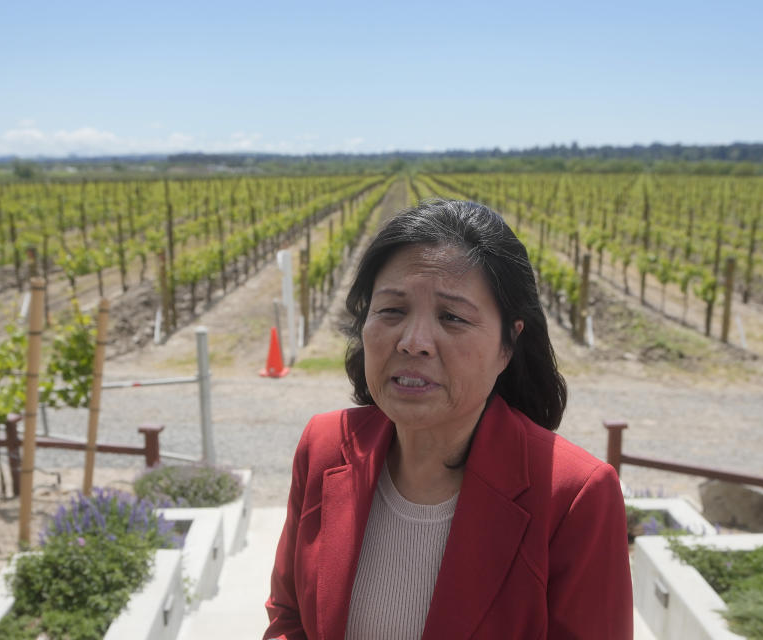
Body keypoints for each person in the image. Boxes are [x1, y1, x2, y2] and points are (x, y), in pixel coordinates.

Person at [263, 199, 632, 640]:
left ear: (507, 345)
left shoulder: (574, 496)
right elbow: (290, 616)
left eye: (452, 317)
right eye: (392, 310)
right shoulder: (324, 446)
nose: (414, 342)